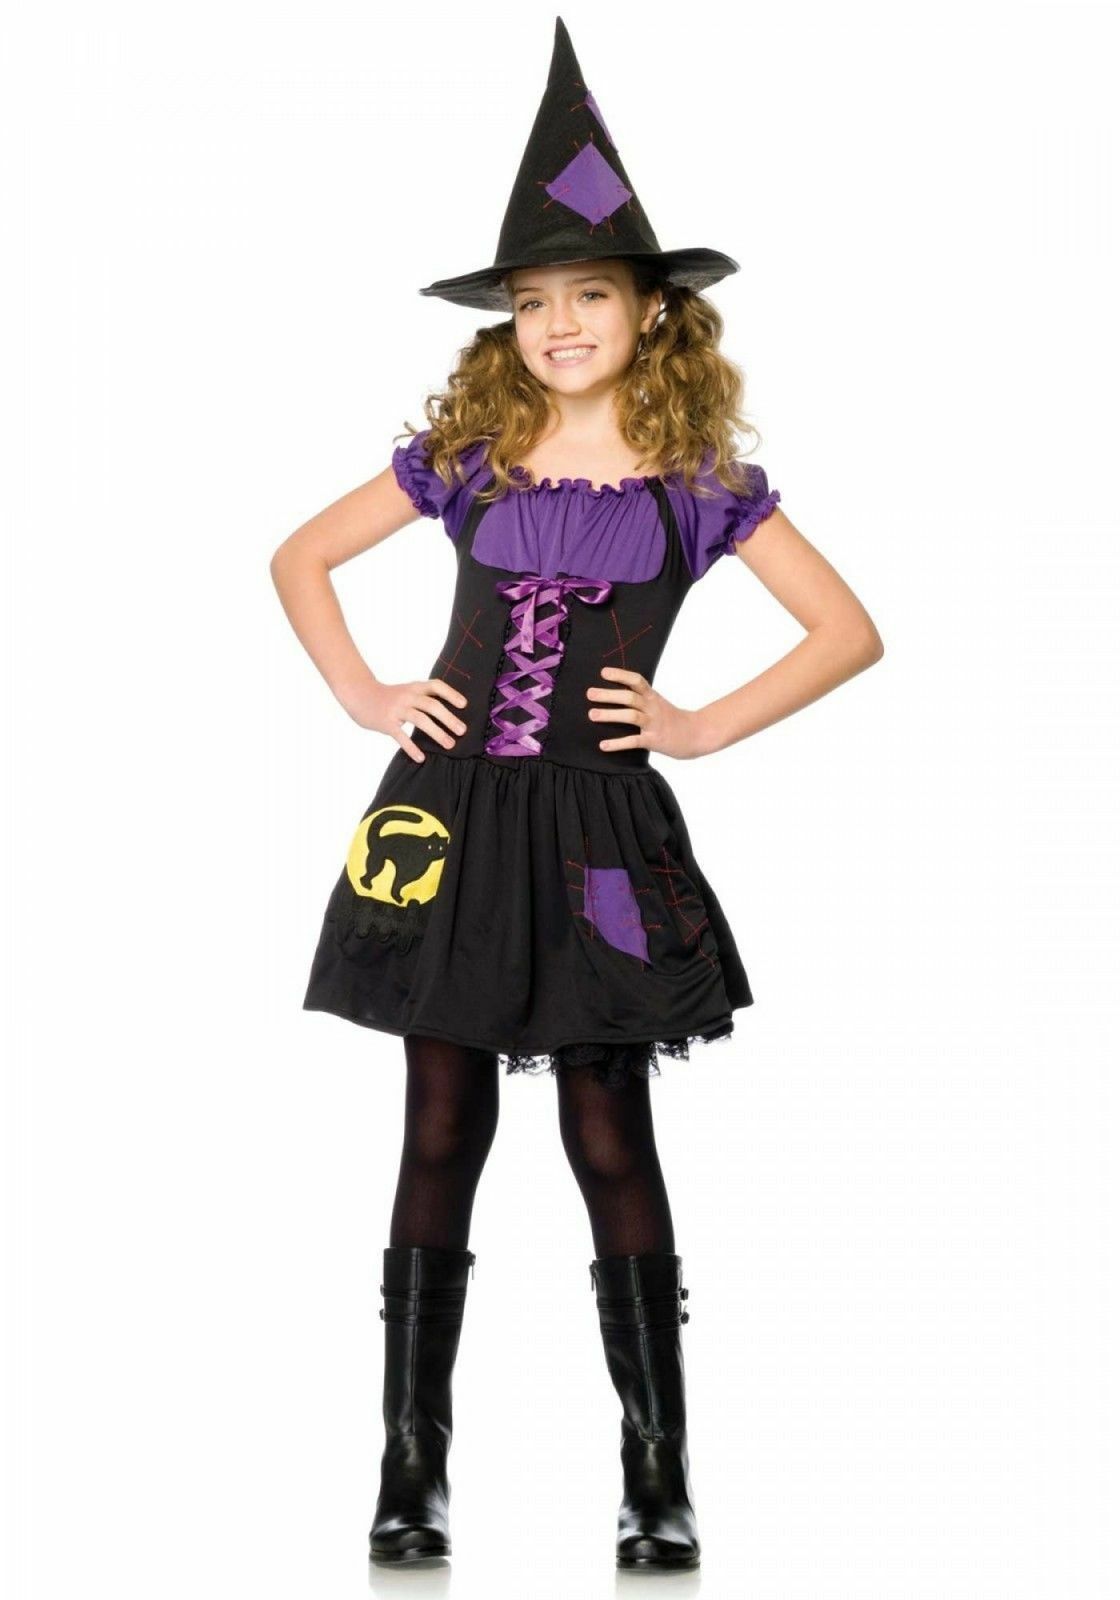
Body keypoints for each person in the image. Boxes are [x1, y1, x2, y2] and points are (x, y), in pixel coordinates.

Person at [270, 16, 883, 1574]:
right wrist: (367, 693)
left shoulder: (701, 489)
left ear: (650, 310)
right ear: (509, 325)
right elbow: (300, 557)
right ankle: (411, 1468)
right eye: (533, 302)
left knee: (610, 1126)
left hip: (602, 832)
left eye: (589, 294)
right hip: (448, 816)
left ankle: (657, 1473)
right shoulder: (466, 460)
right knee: (438, 1126)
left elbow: (848, 632)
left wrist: (697, 725)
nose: (558, 323)